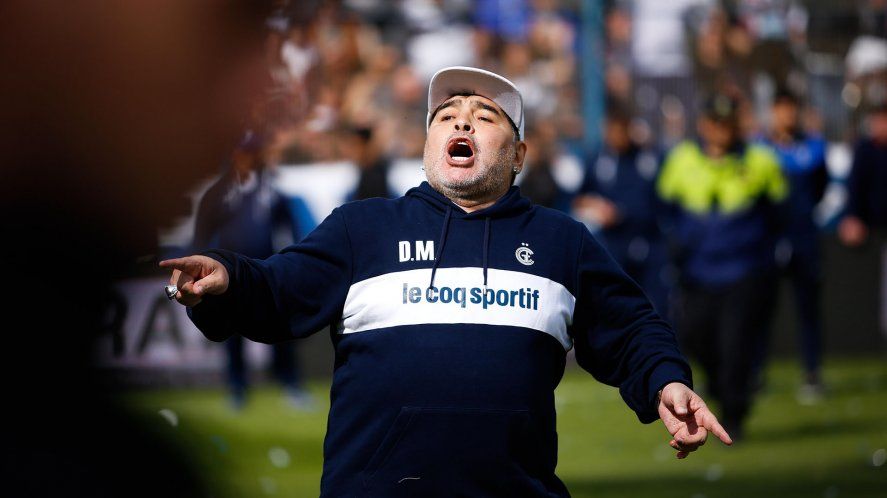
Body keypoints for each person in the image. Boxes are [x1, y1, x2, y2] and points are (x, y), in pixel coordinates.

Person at [162, 66, 731, 497]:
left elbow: (632, 327)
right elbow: (277, 289)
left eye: (485, 116)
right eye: (446, 115)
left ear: (518, 156)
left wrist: (664, 382)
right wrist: (228, 276)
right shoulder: (363, 228)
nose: (461, 120)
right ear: (429, 146)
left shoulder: (564, 241)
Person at [658, 93, 788, 440]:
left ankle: (734, 414)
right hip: (697, 272)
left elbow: (779, 212)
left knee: (736, 344)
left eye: (727, 124)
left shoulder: (760, 160)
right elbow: (666, 210)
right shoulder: (682, 160)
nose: (721, 131)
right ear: (704, 125)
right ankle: (720, 387)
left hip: (744, 270)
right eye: (715, 123)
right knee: (695, 337)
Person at [193, 130, 313, 410]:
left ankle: (290, 384)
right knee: (232, 333)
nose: (248, 159)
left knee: (280, 327)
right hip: (228, 273)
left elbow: (291, 226)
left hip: (265, 270)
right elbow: (203, 230)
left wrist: (295, 259)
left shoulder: (270, 188)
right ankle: (237, 389)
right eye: (244, 153)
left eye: (253, 153)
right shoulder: (221, 191)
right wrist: (199, 260)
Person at [758, 89, 829, 402]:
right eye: (781, 108)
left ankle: (812, 372)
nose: (786, 115)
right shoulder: (760, 149)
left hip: (804, 238)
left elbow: (821, 188)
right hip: (768, 239)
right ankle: (755, 372)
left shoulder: (813, 147)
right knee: (760, 309)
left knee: (808, 308)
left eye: (791, 108)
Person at [574, 109, 670, 317]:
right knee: (613, 306)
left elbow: (660, 202)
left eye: (621, 130)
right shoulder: (599, 160)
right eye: (611, 130)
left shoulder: (649, 159)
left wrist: (621, 213)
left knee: (655, 307)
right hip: (612, 244)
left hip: (647, 241)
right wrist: (596, 207)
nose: (616, 136)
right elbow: (580, 199)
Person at [839, 104, 887, 248]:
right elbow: (855, 186)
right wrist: (852, 217)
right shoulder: (864, 150)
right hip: (870, 227)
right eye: (877, 120)